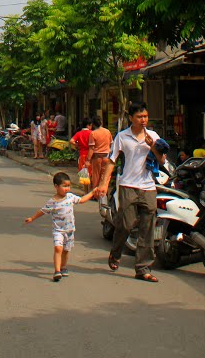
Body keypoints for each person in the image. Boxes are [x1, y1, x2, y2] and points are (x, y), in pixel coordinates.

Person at [96, 102, 168, 282]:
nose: (143, 120)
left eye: (145, 116)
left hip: (148, 187)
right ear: (131, 118)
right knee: (125, 224)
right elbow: (112, 160)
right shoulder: (122, 136)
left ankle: (143, 268)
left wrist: (152, 146)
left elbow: (162, 160)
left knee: (147, 228)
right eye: (139, 117)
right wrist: (104, 184)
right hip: (128, 185)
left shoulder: (153, 136)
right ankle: (116, 252)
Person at [24, 170, 95, 281]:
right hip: (58, 230)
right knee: (58, 248)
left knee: (66, 250)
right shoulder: (52, 202)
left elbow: (82, 200)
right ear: (56, 186)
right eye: (64, 186)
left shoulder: (71, 197)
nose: (67, 188)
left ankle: (63, 267)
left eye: (68, 186)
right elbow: (42, 211)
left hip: (70, 230)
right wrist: (32, 218)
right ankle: (57, 271)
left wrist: (93, 192)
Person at [87, 117, 113, 191]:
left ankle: (95, 193)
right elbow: (111, 144)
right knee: (104, 176)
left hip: (97, 157)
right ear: (101, 123)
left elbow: (91, 148)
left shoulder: (93, 133)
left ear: (93, 124)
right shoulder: (108, 132)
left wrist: (88, 160)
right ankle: (103, 192)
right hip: (106, 157)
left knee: (96, 176)